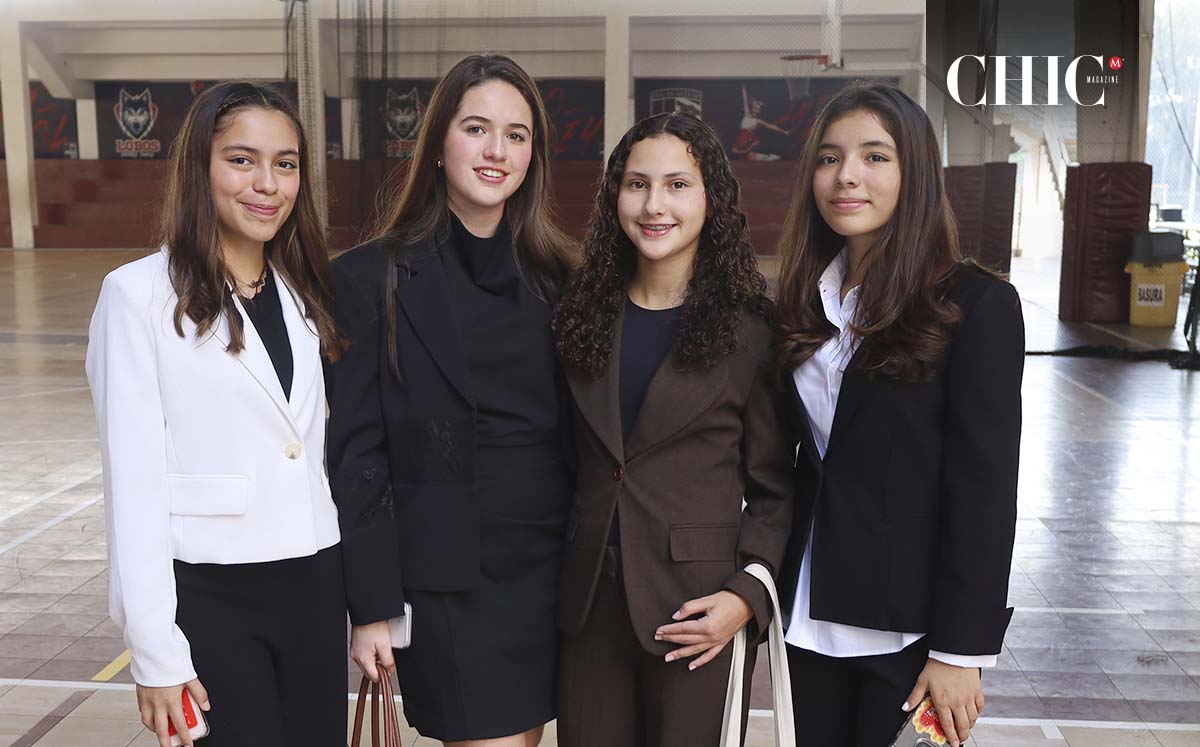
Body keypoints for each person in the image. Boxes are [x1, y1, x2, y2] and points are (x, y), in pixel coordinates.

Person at [85, 81, 348, 747]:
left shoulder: (305, 293)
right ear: (199, 167)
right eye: (242, 159)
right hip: (211, 593)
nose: (267, 183)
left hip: (315, 581)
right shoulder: (137, 296)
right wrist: (155, 651)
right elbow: (133, 486)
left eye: (285, 164)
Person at [325, 54, 577, 747]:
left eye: (517, 134)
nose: (497, 150)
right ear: (438, 142)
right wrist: (372, 607)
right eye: (477, 128)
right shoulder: (367, 278)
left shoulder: (565, 278)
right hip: (447, 583)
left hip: (551, 573)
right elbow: (358, 454)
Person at [772, 81, 1024, 747]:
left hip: (912, 635)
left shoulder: (976, 304)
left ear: (914, 173)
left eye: (874, 157)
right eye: (828, 158)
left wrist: (960, 650)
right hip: (809, 617)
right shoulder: (803, 300)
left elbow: (984, 489)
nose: (846, 175)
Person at [551, 112, 794, 747]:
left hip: (699, 613)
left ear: (712, 198)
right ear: (615, 198)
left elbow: (776, 487)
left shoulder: (752, 331)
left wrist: (747, 596)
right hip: (588, 611)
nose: (654, 205)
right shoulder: (579, 316)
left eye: (677, 185)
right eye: (637, 184)